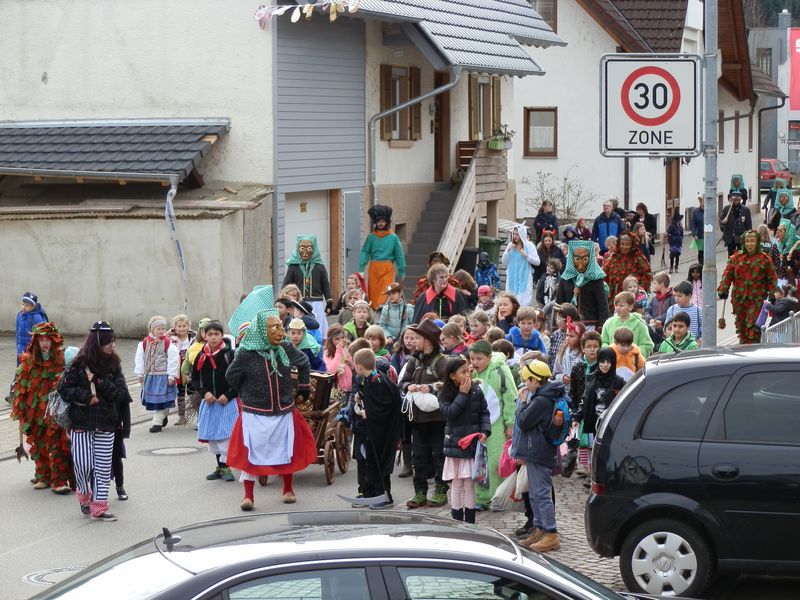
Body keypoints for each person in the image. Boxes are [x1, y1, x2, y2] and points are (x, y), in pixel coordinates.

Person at [225, 306, 317, 510]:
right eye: (275, 327)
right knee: (250, 453)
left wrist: (303, 386)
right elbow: (231, 376)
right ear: (261, 330)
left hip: (283, 410)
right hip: (255, 413)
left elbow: (303, 362)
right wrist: (247, 392)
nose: (281, 332)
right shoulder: (246, 353)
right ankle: (248, 496)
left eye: (281, 326)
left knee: (286, 449)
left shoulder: (284, 347)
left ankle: (288, 489)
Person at [59, 321, 132, 521]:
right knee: (82, 464)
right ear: (97, 342)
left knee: (103, 467)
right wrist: (86, 397)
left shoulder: (114, 364)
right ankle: (84, 494)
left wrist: (97, 381)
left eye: (113, 342)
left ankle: (100, 506)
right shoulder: (79, 363)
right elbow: (64, 389)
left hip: (107, 423)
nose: (111, 346)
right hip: (81, 422)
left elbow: (121, 394)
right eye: (108, 342)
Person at [10, 321, 72, 493]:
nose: (44, 343)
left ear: (53, 340)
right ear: (36, 342)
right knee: (39, 442)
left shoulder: (60, 359)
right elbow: (21, 385)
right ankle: (43, 476)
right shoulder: (29, 361)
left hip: (54, 410)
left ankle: (59, 480)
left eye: (47, 340)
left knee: (56, 443)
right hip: (35, 410)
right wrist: (20, 409)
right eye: (41, 340)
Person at [513, 360, 565, 552]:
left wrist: (522, 403)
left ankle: (550, 534)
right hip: (536, 450)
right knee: (535, 494)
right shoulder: (543, 396)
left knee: (541, 494)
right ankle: (540, 529)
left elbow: (524, 421)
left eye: (527, 380)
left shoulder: (542, 400)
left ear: (535, 380)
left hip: (539, 451)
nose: (525, 384)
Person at [400, 319, 449, 509]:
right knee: (418, 457)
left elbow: (449, 385)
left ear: (427, 341)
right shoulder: (414, 360)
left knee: (438, 455)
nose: (414, 341)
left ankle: (440, 491)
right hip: (417, 419)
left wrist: (431, 387)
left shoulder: (442, 362)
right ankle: (420, 493)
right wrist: (409, 386)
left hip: (437, 419)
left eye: (417, 337)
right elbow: (403, 381)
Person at [438, 355, 491, 524]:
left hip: (472, 444)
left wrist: (485, 431)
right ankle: (456, 519)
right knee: (457, 484)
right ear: (452, 376)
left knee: (469, 484)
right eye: (463, 372)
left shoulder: (476, 390)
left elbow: (484, 412)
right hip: (455, 444)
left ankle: (470, 520)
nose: (468, 374)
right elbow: (450, 413)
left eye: (469, 370)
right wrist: (462, 394)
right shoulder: (445, 393)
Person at [468, 340, 517, 511]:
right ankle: (481, 498)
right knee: (479, 462)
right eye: (472, 358)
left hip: (496, 424)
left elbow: (510, 397)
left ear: (489, 357)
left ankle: (498, 497)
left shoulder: (500, 371)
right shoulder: (472, 372)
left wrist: (510, 423)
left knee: (496, 461)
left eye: (479, 359)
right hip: (477, 425)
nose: (475, 362)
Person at [351, 348, 402, 509]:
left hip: (381, 432)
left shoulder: (378, 382)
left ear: (359, 366)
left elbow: (385, 406)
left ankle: (385, 495)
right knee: (369, 462)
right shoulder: (368, 379)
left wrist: (369, 413)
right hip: (370, 430)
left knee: (380, 462)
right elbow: (373, 399)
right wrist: (361, 396)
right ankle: (370, 493)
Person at [193, 320, 238, 483]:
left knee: (225, 435)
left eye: (216, 334)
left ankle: (227, 466)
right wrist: (204, 393)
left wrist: (229, 394)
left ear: (222, 335)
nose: (213, 337)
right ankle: (220, 466)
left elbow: (238, 378)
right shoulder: (201, 356)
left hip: (226, 402)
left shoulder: (229, 355)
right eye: (210, 334)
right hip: (210, 402)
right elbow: (195, 378)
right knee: (214, 435)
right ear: (204, 336)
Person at [717, 230, 778, 344]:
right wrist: (723, 289)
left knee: (753, 328)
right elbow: (727, 275)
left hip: (757, 300)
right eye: (747, 241)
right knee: (742, 327)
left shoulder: (765, 259)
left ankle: (752, 348)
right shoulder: (736, 258)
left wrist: (772, 293)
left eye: (752, 241)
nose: (749, 244)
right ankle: (744, 347)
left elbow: (771, 278)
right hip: (739, 300)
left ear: (757, 242)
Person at [570, 347, 625, 470]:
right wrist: (577, 418)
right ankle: (594, 473)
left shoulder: (618, 382)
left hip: (611, 424)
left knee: (608, 453)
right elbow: (585, 400)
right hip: (595, 422)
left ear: (613, 363)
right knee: (596, 451)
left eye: (608, 362)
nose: (605, 365)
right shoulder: (591, 378)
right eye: (602, 361)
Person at [134, 316, 179, 433]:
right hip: (150, 377)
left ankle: (157, 423)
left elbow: (173, 360)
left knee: (162, 399)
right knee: (157, 400)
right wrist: (140, 374)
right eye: (158, 328)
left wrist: (172, 376)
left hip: (163, 376)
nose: (161, 331)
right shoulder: (144, 343)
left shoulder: (168, 343)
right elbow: (139, 359)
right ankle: (163, 415)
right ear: (152, 329)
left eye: (163, 328)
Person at [283, 235, 333, 340]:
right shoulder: (293, 266)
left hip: (316, 302)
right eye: (302, 248)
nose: (305, 253)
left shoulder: (319, 266)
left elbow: (325, 284)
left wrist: (329, 301)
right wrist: (283, 299)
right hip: (300, 303)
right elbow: (286, 283)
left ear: (314, 249)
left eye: (309, 248)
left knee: (317, 324)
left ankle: (318, 342)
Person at [360, 204, 406, 310]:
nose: (380, 223)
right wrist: (361, 268)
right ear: (375, 222)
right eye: (378, 221)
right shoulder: (371, 237)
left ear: (387, 222)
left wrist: (401, 270)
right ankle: (375, 311)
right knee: (373, 292)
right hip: (374, 268)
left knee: (385, 291)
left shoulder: (393, 237)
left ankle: (383, 310)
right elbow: (365, 252)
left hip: (387, 268)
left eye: (383, 221)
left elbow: (399, 255)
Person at [556, 241, 609, 331]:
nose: (580, 264)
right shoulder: (565, 278)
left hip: (590, 325)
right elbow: (559, 304)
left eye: (585, 259)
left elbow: (602, 306)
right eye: (577, 259)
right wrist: (556, 326)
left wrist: (601, 327)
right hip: (567, 324)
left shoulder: (595, 279)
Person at [603, 231, 653, 303]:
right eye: (622, 244)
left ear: (632, 245)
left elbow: (647, 275)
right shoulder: (612, 258)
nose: (624, 247)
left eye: (627, 244)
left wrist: (639, 291)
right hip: (615, 296)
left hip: (633, 296)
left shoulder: (639, 258)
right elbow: (605, 275)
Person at [601, 291, 654, 358]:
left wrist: (633, 353)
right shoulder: (609, 323)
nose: (618, 308)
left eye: (621, 305)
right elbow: (603, 342)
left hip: (632, 362)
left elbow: (647, 345)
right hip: (613, 361)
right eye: (616, 305)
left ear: (630, 307)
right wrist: (610, 352)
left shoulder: (640, 323)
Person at [501, 223, 540, 307]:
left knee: (522, 303)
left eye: (517, 234)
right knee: (511, 302)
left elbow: (537, 262)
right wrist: (507, 251)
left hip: (524, 278)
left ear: (522, 234)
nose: (515, 236)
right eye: (514, 234)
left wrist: (526, 256)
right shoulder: (510, 245)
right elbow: (504, 262)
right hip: (512, 279)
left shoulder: (529, 246)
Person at [168, 314, 196, 427]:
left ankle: (200, 415)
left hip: (189, 369)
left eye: (184, 326)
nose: (182, 328)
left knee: (192, 393)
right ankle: (182, 416)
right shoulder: (172, 338)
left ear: (189, 326)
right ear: (175, 327)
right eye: (179, 326)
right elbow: (162, 339)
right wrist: (169, 333)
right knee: (180, 394)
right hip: (177, 369)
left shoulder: (193, 337)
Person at [645, 272, 676, 342]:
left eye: (655, 283)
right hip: (654, 329)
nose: (653, 285)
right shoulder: (654, 299)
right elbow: (647, 311)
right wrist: (650, 319)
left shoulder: (672, 298)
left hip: (667, 329)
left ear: (662, 284)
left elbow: (672, 312)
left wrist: (658, 319)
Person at [552, 319, 585, 385]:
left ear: (580, 338)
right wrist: (562, 377)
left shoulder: (584, 354)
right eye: (567, 335)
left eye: (571, 336)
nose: (568, 338)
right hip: (561, 387)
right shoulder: (562, 352)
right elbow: (554, 374)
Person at [720, 191, 752, 257]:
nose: (736, 201)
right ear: (731, 199)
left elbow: (749, 225)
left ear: (740, 199)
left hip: (741, 238)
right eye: (734, 199)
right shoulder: (726, 209)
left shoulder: (746, 210)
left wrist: (748, 237)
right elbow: (721, 221)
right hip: (730, 238)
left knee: (742, 256)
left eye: (738, 199)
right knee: (731, 256)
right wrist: (723, 222)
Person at [691, 195, 705, 265]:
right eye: (704, 201)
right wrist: (694, 234)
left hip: (709, 236)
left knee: (708, 252)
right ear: (700, 202)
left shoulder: (710, 211)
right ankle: (701, 266)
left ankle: (707, 266)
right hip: (700, 235)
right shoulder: (696, 212)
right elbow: (693, 224)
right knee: (701, 252)